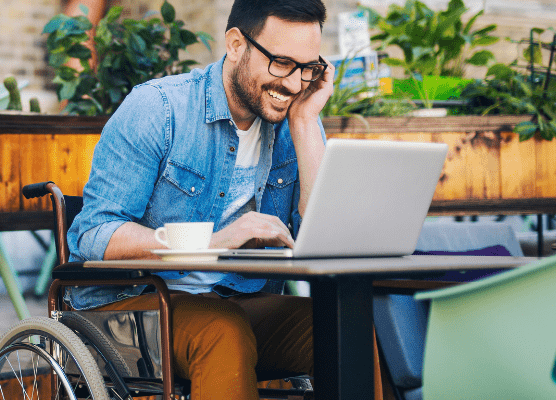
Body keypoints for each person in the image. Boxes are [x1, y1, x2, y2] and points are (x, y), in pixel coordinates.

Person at [65, 0, 383, 399]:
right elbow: (95, 235)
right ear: (236, 44)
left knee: (345, 326)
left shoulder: (296, 118)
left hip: (235, 301)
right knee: (222, 332)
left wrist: (304, 124)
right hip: (130, 308)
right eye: (282, 63)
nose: (294, 84)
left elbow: (319, 241)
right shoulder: (159, 110)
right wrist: (214, 241)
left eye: (308, 68)